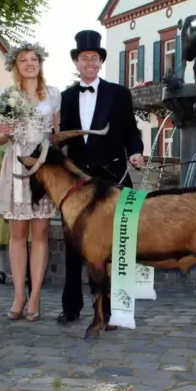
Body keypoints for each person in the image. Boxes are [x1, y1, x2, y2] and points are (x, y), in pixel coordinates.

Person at [57, 29, 144, 327]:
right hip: (78, 184)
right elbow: (60, 140)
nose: (90, 63)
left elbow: (132, 131)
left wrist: (136, 152)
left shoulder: (119, 94)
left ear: (100, 62)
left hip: (112, 178)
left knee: (116, 245)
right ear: (77, 63)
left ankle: (113, 309)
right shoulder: (66, 97)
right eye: (84, 58)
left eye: (95, 58)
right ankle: (71, 306)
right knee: (73, 245)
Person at [0, 42, 59, 322]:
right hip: (17, 165)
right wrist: (5, 133)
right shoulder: (7, 96)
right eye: (24, 60)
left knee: (40, 235)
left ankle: (35, 297)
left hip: (42, 166)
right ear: (15, 66)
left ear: (40, 64)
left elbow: (57, 132)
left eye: (34, 59)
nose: (30, 64)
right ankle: (19, 295)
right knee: (18, 236)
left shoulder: (54, 94)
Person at [0, 129, 32, 292]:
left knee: (28, 230)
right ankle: (0, 270)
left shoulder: (31, 127)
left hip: (28, 186)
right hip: (5, 185)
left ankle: (26, 272)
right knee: (1, 229)